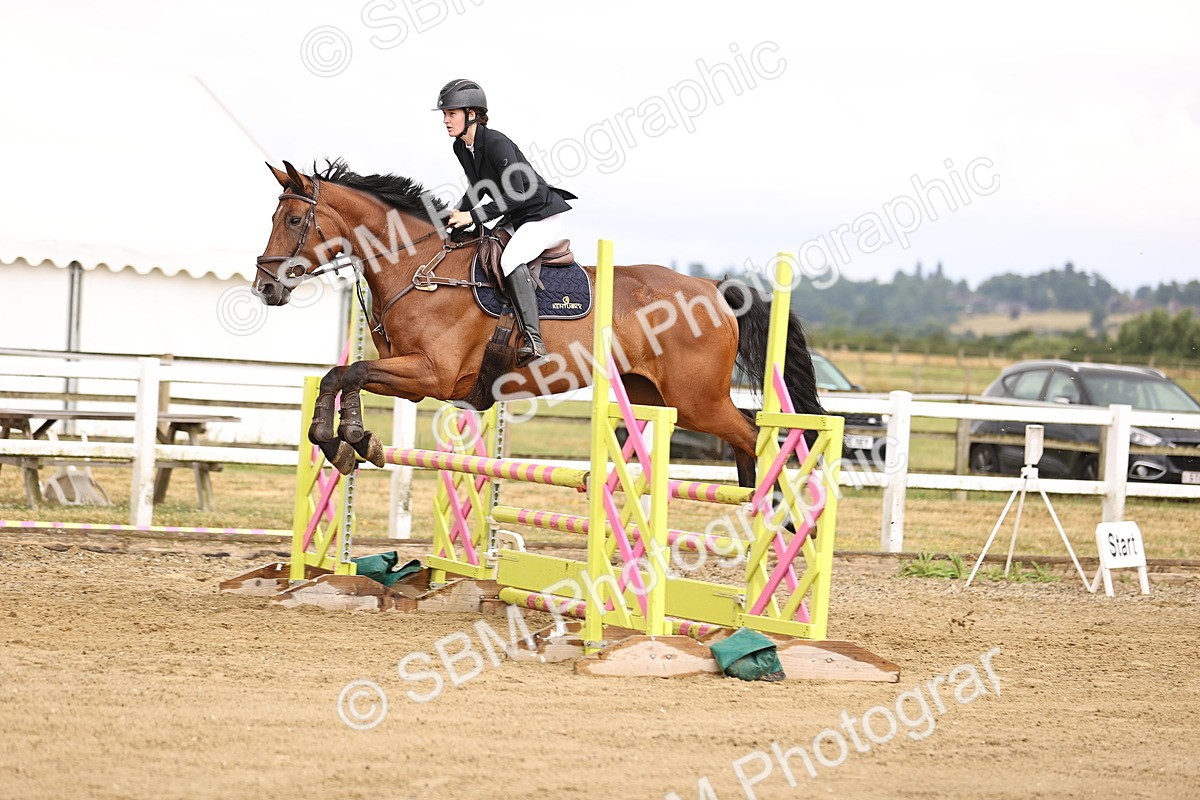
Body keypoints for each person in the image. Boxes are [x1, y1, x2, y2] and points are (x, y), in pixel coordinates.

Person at [435, 78, 575, 368]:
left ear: (471, 114)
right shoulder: (462, 148)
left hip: (541, 214)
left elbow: (519, 191)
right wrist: (453, 215)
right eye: (445, 114)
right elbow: (477, 188)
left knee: (510, 259)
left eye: (451, 113)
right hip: (517, 216)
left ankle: (534, 341)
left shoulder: (496, 142)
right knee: (486, 247)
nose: (446, 120)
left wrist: (472, 216)